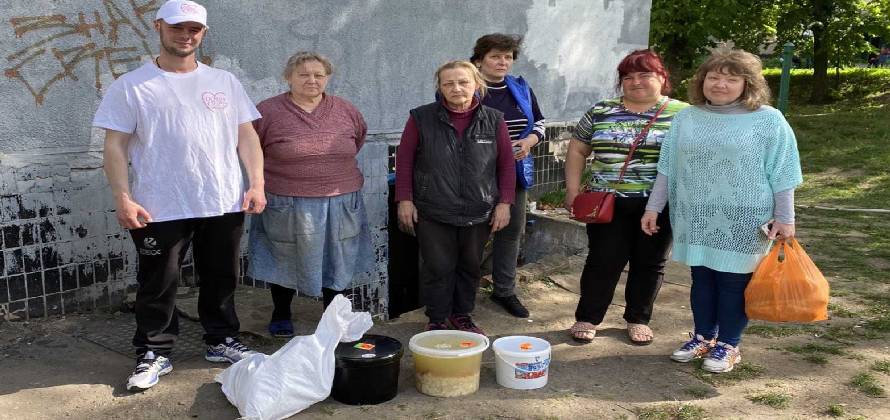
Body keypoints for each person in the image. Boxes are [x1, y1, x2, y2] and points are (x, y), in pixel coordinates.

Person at [94, 0, 266, 391]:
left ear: (203, 33)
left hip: (222, 199)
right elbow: (115, 146)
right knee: (159, 281)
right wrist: (123, 196)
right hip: (160, 203)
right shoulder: (132, 85)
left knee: (221, 275)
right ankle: (154, 351)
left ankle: (221, 340)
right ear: (159, 27)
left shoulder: (225, 82)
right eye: (177, 28)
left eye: (194, 29)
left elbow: (247, 137)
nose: (186, 36)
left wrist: (256, 183)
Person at [641, 47, 802, 373]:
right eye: (714, 77)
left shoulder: (768, 120)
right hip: (695, 215)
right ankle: (702, 337)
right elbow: (668, 168)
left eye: (731, 79)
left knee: (732, 282)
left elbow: (783, 171)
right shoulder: (686, 118)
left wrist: (786, 218)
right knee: (701, 278)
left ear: (748, 84)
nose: (720, 84)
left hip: (745, 216)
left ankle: (729, 344)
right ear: (702, 81)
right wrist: (653, 209)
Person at [563, 50, 688, 345]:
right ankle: (589, 317)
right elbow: (577, 149)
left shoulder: (684, 115)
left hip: (660, 204)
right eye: (628, 77)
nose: (635, 82)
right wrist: (572, 189)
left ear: (662, 77)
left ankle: (638, 318)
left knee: (650, 261)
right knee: (603, 260)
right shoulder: (601, 111)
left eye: (644, 74)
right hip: (606, 203)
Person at [248, 52, 371, 338]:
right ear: (288, 77)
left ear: (328, 78)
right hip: (287, 200)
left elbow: (359, 138)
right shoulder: (267, 111)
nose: (312, 80)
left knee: (338, 254)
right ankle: (281, 313)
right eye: (303, 74)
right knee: (284, 253)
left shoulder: (346, 109)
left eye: (319, 74)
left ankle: (332, 315)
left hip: (340, 198)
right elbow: (251, 149)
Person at [395, 60, 515, 335]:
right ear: (440, 87)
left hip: (479, 208)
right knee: (438, 266)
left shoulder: (494, 119)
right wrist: (405, 199)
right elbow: (404, 160)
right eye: (448, 83)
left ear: (477, 84)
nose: (456, 88)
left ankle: (461, 315)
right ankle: (437, 317)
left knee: (470, 265)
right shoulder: (421, 117)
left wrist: (504, 203)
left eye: (463, 82)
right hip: (433, 207)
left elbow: (507, 164)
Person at [470, 33, 546, 319]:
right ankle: (462, 294)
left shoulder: (520, 88)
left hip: (514, 172)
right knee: (472, 234)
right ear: (479, 60)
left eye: (507, 57)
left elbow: (538, 121)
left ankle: (504, 290)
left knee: (511, 232)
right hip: (476, 175)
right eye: (495, 56)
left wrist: (528, 142)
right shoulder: (467, 87)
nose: (502, 62)